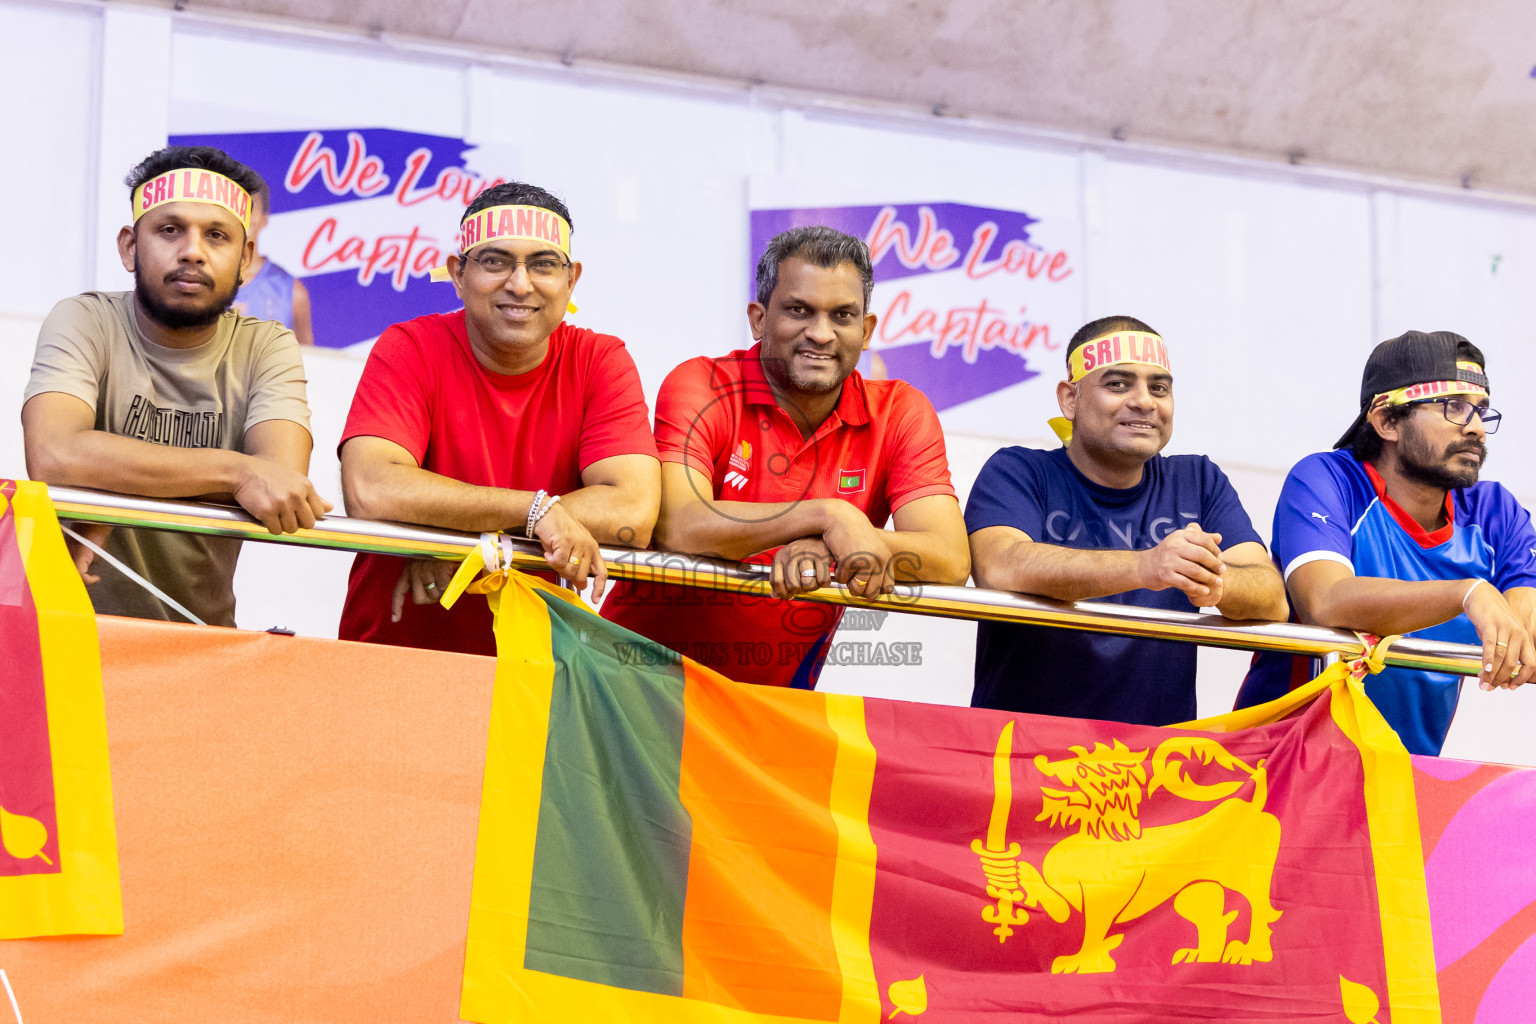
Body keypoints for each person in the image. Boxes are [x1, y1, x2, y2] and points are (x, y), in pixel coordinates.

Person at [601, 225, 970, 688]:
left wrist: (832, 540)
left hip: (773, 708)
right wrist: (826, 516)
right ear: (758, 319)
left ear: (867, 329)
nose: (821, 333)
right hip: (625, 684)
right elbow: (679, 526)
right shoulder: (701, 383)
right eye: (799, 311)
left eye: (842, 315)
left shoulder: (901, 410)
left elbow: (951, 558)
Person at [337, 181, 660, 656]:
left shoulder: (600, 359)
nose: (520, 283)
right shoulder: (410, 346)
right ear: (457, 274)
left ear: (572, 281)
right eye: (495, 261)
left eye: (544, 265)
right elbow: (370, 489)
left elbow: (632, 511)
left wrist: (464, 541)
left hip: (542, 670)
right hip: (398, 654)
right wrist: (538, 512)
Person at [22, 145, 328, 627]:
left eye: (217, 235)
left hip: (199, 641)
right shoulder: (84, 318)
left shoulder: (268, 345)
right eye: (169, 229)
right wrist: (238, 473)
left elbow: (280, 481)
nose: (192, 250)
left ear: (246, 258)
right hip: (60, 632)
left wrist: (108, 482)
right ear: (129, 246)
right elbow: (55, 454)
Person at [965, 315, 1286, 726]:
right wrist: (1146, 566)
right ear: (1069, 399)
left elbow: (1272, 597)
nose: (1145, 401)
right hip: (1022, 760)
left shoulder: (1198, 481)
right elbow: (1000, 566)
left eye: (1159, 388)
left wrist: (1213, 579)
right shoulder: (1018, 470)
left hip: (1153, 769)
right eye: (1118, 384)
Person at [1237, 331, 1536, 755]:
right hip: (1281, 767)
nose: (1475, 428)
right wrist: (1468, 593)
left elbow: (1527, 626)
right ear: (1387, 421)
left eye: (1481, 411)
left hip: (1404, 779)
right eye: (1453, 407)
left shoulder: (1495, 511)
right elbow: (1324, 601)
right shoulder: (1327, 479)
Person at [232, 180, 314, 346]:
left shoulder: (292, 292)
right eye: (236, 205)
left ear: (264, 219)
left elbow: (308, 363)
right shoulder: (200, 280)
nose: (243, 215)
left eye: (250, 206)